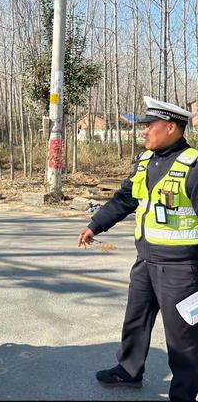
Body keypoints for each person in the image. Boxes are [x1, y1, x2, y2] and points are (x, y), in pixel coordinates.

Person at [78, 96, 198, 402]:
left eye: (149, 126)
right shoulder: (146, 162)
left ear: (171, 127)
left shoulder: (192, 166)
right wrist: (95, 225)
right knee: (136, 319)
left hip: (181, 268)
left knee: (183, 337)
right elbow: (124, 200)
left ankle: (183, 394)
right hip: (145, 261)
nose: (143, 131)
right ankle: (128, 371)